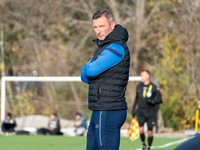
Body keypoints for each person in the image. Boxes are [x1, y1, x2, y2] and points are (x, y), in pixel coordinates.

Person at [81, 9, 130, 150]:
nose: (98, 31)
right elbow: (84, 76)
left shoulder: (116, 47)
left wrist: (88, 69)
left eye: (102, 26)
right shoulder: (103, 47)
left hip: (109, 109)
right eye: (95, 27)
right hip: (99, 109)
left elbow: (89, 70)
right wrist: (88, 70)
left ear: (112, 25)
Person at [132, 69, 162, 150]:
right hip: (141, 111)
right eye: (141, 75)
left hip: (150, 112)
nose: (141, 77)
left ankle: (149, 147)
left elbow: (160, 100)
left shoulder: (154, 87)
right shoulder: (139, 86)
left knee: (149, 132)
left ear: (148, 76)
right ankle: (143, 144)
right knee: (141, 130)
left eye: (143, 75)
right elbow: (136, 99)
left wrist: (152, 101)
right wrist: (133, 110)